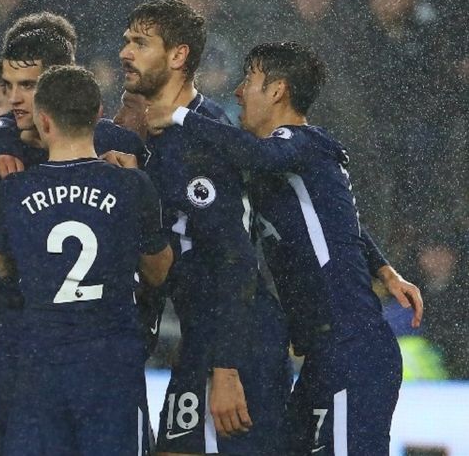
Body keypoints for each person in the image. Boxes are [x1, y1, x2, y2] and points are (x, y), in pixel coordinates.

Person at [145, 41, 424, 455]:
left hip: (353, 347)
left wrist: (182, 116)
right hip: (320, 357)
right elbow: (343, 223)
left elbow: (259, 154)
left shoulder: (302, 142)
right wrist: (384, 269)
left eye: (249, 81)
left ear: (277, 91)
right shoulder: (279, 170)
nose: (238, 92)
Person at [0, 19, 148, 456]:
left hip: (96, 348)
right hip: (16, 343)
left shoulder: (114, 152)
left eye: (27, 86)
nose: (15, 100)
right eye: (9, 86)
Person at [114, 0, 291, 456]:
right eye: (126, 41)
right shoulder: (145, 134)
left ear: (178, 56)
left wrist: (228, 369)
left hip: (240, 338)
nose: (124, 53)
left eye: (140, 43)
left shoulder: (203, 141)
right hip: (202, 334)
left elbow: (235, 259)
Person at [0, 65, 173, 455]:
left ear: (44, 121)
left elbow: (4, 269)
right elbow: (159, 270)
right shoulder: (131, 185)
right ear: (98, 114)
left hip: (41, 362)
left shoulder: (15, 191)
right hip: (111, 364)